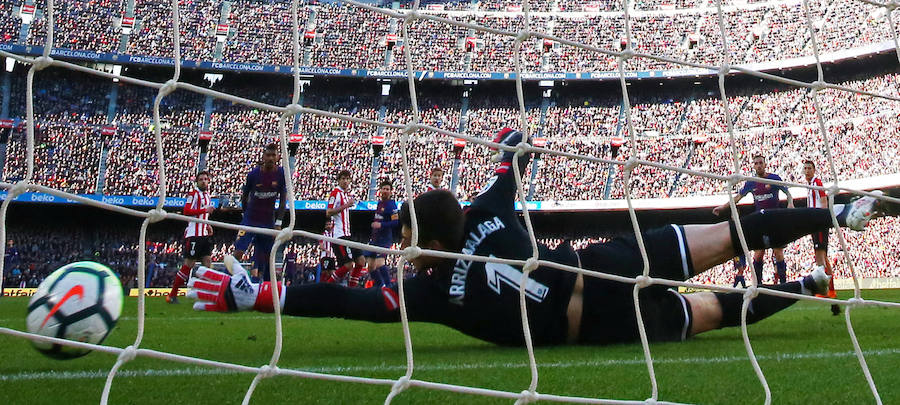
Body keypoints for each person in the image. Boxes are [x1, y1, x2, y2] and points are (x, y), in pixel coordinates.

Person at [188, 128, 886, 347]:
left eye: (404, 236)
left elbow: (355, 303)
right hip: (604, 304)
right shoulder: (444, 265)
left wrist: (516, 151)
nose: (397, 248)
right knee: (713, 305)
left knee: (726, 235)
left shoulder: (432, 285)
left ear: (427, 239)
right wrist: (512, 151)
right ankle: (805, 282)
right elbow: (511, 167)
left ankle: (837, 214)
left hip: (603, 268)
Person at [713, 154, 794, 285]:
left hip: (775, 220)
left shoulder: (774, 179)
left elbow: (788, 193)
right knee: (758, 254)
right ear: (754, 166)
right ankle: (758, 284)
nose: (759, 165)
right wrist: (723, 207)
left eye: (761, 162)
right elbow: (738, 197)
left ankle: (784, 284)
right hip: (760, 222)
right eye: (756, 163)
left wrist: (790, 203)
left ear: (765, 164)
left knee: (778, 252)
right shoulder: (751, 182)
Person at [233, 143, 287, 282]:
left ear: (278, 157)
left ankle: (269, 289)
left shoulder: (281, 174)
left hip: (268, 221)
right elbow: (244, 196)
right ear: (263, 156)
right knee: (238, 252)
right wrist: (245, 215)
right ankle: (226, 283)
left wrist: (278, 222)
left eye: (273, 155)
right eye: (267, 155)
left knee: (269, 256)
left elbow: (283, 200)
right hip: (251, 219)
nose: (270, 158)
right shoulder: (254, 174)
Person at [167, 171, 215, 304]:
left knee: (207, 262)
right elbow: (186, 211)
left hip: (204, 235)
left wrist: (207, 225)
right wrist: (204, 211)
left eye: (206, 179)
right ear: (197, 182)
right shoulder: (193, 195)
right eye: (201, 179)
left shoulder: (207, 196)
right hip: (194, 235)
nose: (204, 181)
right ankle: (172, 295)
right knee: (189, 265)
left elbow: (203, 216)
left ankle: (207, 295)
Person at [803, 159, 840, 315]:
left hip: (818, 223)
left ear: (814, 170)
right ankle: (830, 291)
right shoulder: (810, 185)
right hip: (815, 223)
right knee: (823, 258)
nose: (806, 170)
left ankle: (824, 290)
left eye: (809, 168)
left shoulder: (817, 183)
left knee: (820, 257)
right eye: (805, 168)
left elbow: (823, 203)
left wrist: (819, 221)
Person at [363, 180, 400, 287]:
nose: (385, 191)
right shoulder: (379, 204)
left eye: (387, 189)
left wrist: (381, 225)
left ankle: (388, 287)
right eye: (383, 189)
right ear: (380, 190)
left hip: (384, 239)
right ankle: (379, 287)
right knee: (370, 266)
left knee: (379, 263)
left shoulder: (392, 205)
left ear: (391, 192)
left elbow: (395, 222)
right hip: (375, 239)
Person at [323, 170, 356, 284]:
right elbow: (328, 212)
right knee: (349, 265)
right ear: (338, 180)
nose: (346, 181)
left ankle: (348, 290)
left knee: (360, 261)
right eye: (343, 178)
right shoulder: (335, 193)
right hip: (340, 235)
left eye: (347, 179)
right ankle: (328, 286)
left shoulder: (345, 195)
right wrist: (347, 205)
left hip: (347, 235)